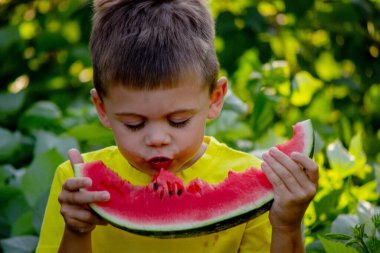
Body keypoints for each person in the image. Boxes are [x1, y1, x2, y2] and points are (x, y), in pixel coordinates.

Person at [36, 0, 319, 252]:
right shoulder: (77, 185)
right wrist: (76, 231)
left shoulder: (255, 182)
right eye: (134, 124)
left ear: (215, 99)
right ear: (102, 109)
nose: (157, 139)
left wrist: (286, 226)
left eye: (178, 121)